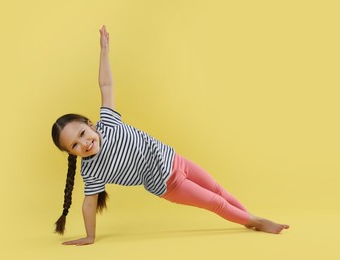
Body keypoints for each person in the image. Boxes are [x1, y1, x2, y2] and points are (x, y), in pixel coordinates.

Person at [51, 25, 289, 246]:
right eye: (75, 145)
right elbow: (88, 203)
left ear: (90, 124)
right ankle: (257, 222)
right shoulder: (91, 171)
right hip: (169, 184)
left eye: (83, 133)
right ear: (71, 153)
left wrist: (104, 51)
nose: (85, 143)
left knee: (218, 189)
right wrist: (90, 236)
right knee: (215, 203)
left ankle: (248, 218)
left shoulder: (108, 123)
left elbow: (106, 86)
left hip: (175, 159)